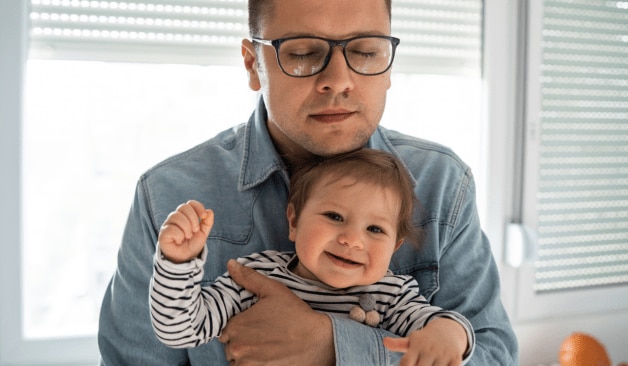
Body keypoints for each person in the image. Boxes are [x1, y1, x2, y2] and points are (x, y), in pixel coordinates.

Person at [98, 0, 519, 365]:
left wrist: (334, 348)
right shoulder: (167, 195)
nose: (338, 80)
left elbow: (490, 353)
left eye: (367, 51)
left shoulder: (444, 185)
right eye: (301, 52)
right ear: (252, 64)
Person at [149, 149, 475, 365]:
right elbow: (180, 330)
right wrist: (178, 263)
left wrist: (449, 334)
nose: (352, 240)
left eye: (375, 229)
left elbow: (435, 325)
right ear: (294, 221)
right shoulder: (256, 276)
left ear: (395, 246)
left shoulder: (390, 295)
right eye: (334, 216)